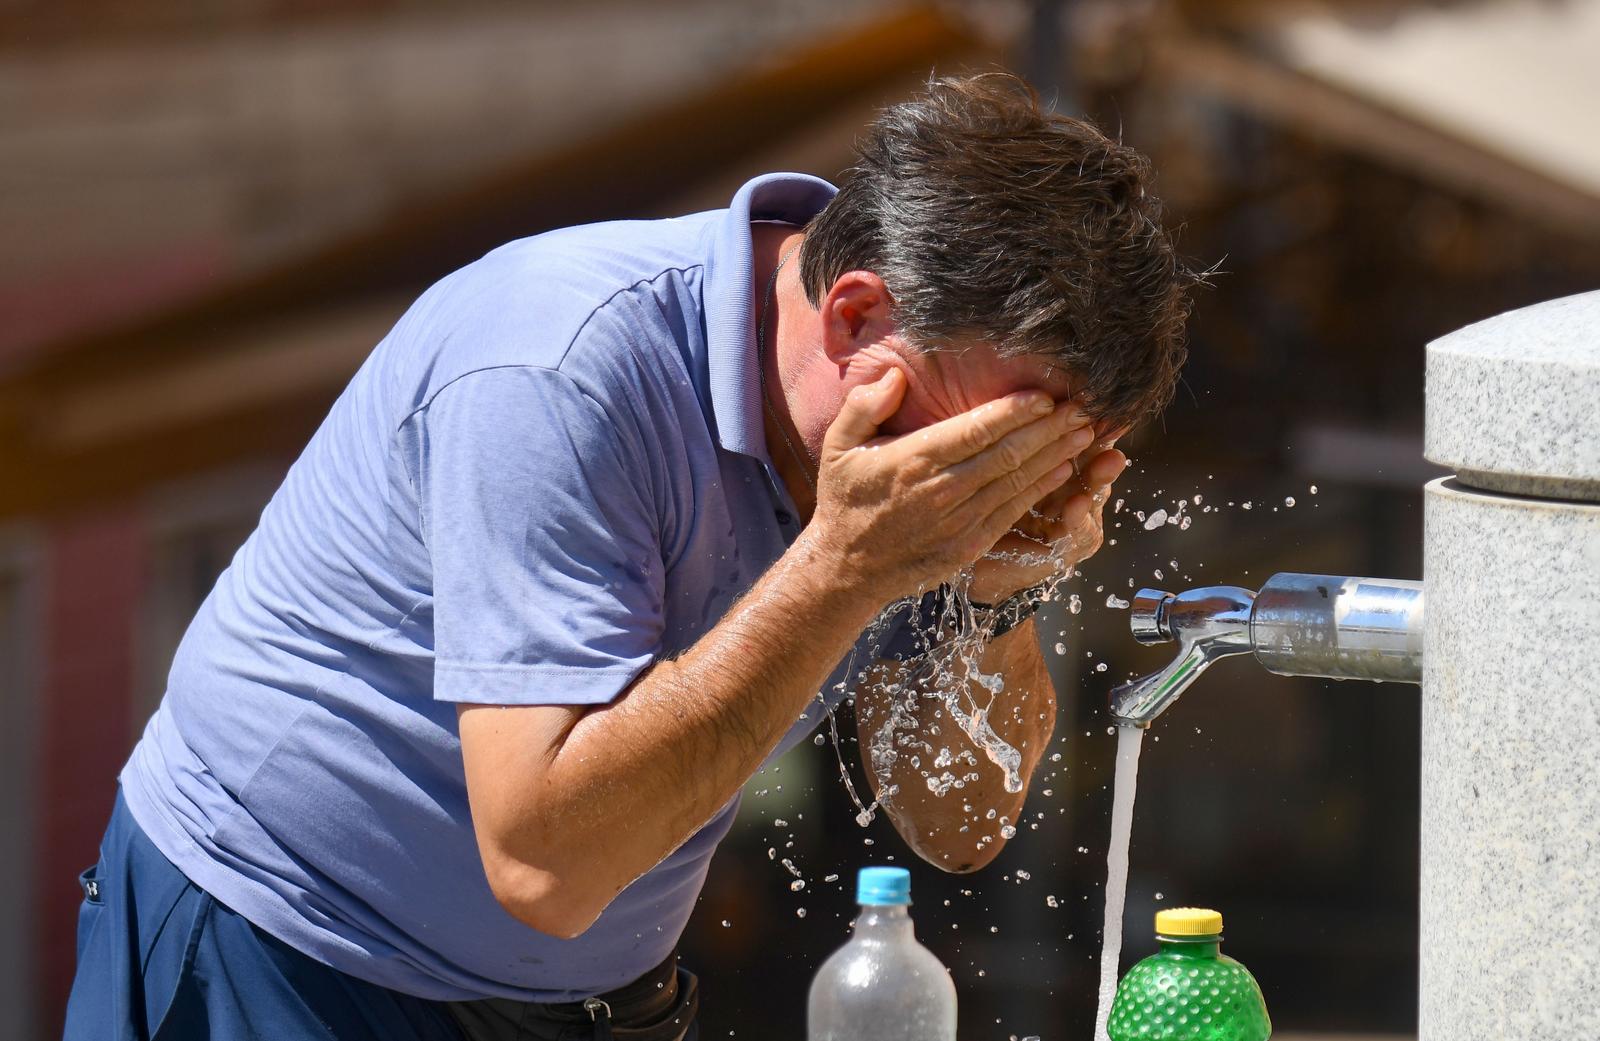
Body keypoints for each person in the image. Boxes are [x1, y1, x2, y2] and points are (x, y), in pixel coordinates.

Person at [65, 73, 1194, 1040]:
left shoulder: (917, 451)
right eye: (996, 448)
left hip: (588, 998)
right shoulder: (558, 369)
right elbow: (546, 865)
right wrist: (847, 567)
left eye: (1053, 462)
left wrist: (996, 593)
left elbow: (959, 826)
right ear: (853, 319)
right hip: (280, 941)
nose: (1003, 486)